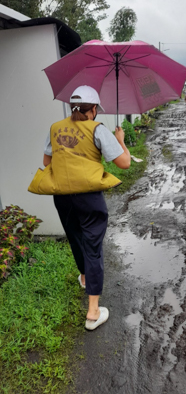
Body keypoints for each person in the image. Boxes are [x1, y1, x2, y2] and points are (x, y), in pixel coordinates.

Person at [43, 85, 131, 331]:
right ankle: (93, 312)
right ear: (93, 109)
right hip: (89, 197)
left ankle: (84, 277)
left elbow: (46, 161)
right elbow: (124, 163)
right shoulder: (98, 130)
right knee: (93, 247)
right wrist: (121, 141)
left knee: (75, 237)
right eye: (96, 110)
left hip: (62, 196)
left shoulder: (55, 128)